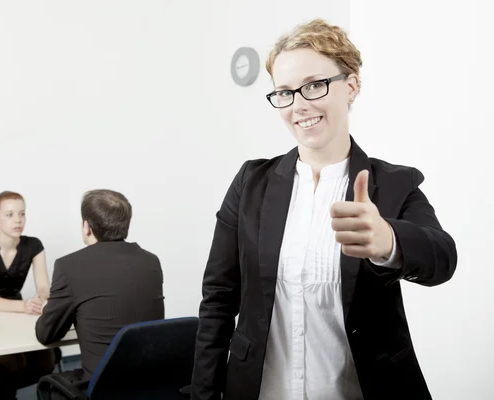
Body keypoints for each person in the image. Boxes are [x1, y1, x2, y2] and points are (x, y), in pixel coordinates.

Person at [190, 19, 457, 400]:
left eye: (314, 85)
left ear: (351, 85)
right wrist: (203, 394)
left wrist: (389, 242)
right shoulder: (250, 183)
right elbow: (217, 298)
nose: (299, 105)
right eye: (284, 92)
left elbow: (442, 259)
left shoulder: (395, 184)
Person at [35, 189, 165, 398]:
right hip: (151, 382)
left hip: (103, 387)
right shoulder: (151, 261)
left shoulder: (70, 266)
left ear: (87, 226)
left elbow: (46, 334)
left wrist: (48, 309)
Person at [0, 190, 56, 400]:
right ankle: (2, 395)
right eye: (10, 215)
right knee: (15, 364)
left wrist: (39, 299)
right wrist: (25, 306)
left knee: (47, 361)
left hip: (17, 316)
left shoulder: (34, 245)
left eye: (22, 214)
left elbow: (44, 287)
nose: (18, 220)